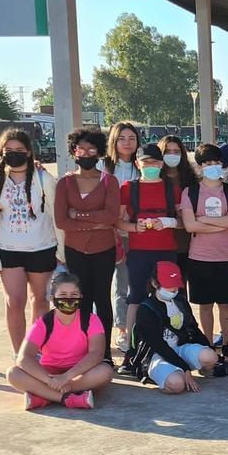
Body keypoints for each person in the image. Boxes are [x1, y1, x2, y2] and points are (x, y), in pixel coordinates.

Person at [0, 128, 63, 355]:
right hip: (8, 251)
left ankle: (36, 349)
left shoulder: (43, 179)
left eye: (19, 150)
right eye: (8, 150)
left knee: (39, 299)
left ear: (29, 152)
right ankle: (19, 353)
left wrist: (62, 250)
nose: (14, 154)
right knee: (14, 302)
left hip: (42, 248)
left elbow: (56, 217)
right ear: (1, 152)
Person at [56, 127, 120, 360]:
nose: (85, 154)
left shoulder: (109, 182)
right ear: (73, 151)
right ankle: (82, 349)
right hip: (75, 250)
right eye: (80, 149)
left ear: (99, 152)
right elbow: (61, 220)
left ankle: (103, 353)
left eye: (91, 149)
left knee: (102, 299)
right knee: (80, 300)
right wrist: (95, 221)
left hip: (104, 249)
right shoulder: (65, 183)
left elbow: (111, 216)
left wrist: (78, 216)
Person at [5, 272, 113, 410]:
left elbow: (96, 354)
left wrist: (66, 377)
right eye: (62, 295)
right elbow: (23, 358)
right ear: (52, 298)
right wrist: (50, 380)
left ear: (81, 297)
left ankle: (43, 395)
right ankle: (67, 398)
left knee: (105, 371)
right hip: (48, 373)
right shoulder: (43, 323)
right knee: (13, 373)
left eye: (74, 295)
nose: (68, 299)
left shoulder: (91, 320)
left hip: (78, 373)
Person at [115, 143, 181, 361]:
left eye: (154, 162)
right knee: (136, 298)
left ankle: (174, 342)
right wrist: (135, 227)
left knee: (170, 297)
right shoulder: (128, 188)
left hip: (166, 252)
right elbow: (119, 221)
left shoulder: (172, 188)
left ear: (161, 164)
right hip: (139, 252)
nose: (150, 166)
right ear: (137, 164)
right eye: (145, 162)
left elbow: (184, 222)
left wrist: (168, 221)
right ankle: (133, 349)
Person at [179, 144, 228, 364]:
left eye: (216, 163)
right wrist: (221, 223)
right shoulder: (191, 192)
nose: (212, 167)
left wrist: (203, 220)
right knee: (204, 306)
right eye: (207, 163)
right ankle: (208, 345)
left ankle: (227, 344)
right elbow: (189, 226)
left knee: (226, 306)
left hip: (227, 256)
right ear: (199, 167)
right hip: (199, 258)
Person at [126, 261, 227, 393]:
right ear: (154, 283)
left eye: (176, 285)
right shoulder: (146, 309)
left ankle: (196, 371)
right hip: (156, 354)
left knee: (210, 357)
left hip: (180, 347)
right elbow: (158, 345)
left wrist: (210, 350)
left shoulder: (180, 300)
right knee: (177, 384)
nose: (174, 290)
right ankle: (167, 374)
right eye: (168, 286)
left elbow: (193, 328)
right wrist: (184, 367)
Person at [103, 121, 140, 352]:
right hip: (108, 234)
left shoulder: (141, 166)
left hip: (135, 233)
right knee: (116, 285)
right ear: (114, 141)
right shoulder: (103, 167)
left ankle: (133, 328)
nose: (127, 143)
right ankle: (121, 331)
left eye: (132, 138)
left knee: (132, 284)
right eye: (122, 138)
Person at [159, 135, 199, 281]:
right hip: (161, 245)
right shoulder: (154, 178)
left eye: (176, 152)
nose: (172, 155)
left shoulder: (192, 180)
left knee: (181, 291)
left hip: (188, 245)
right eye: (167, 151)